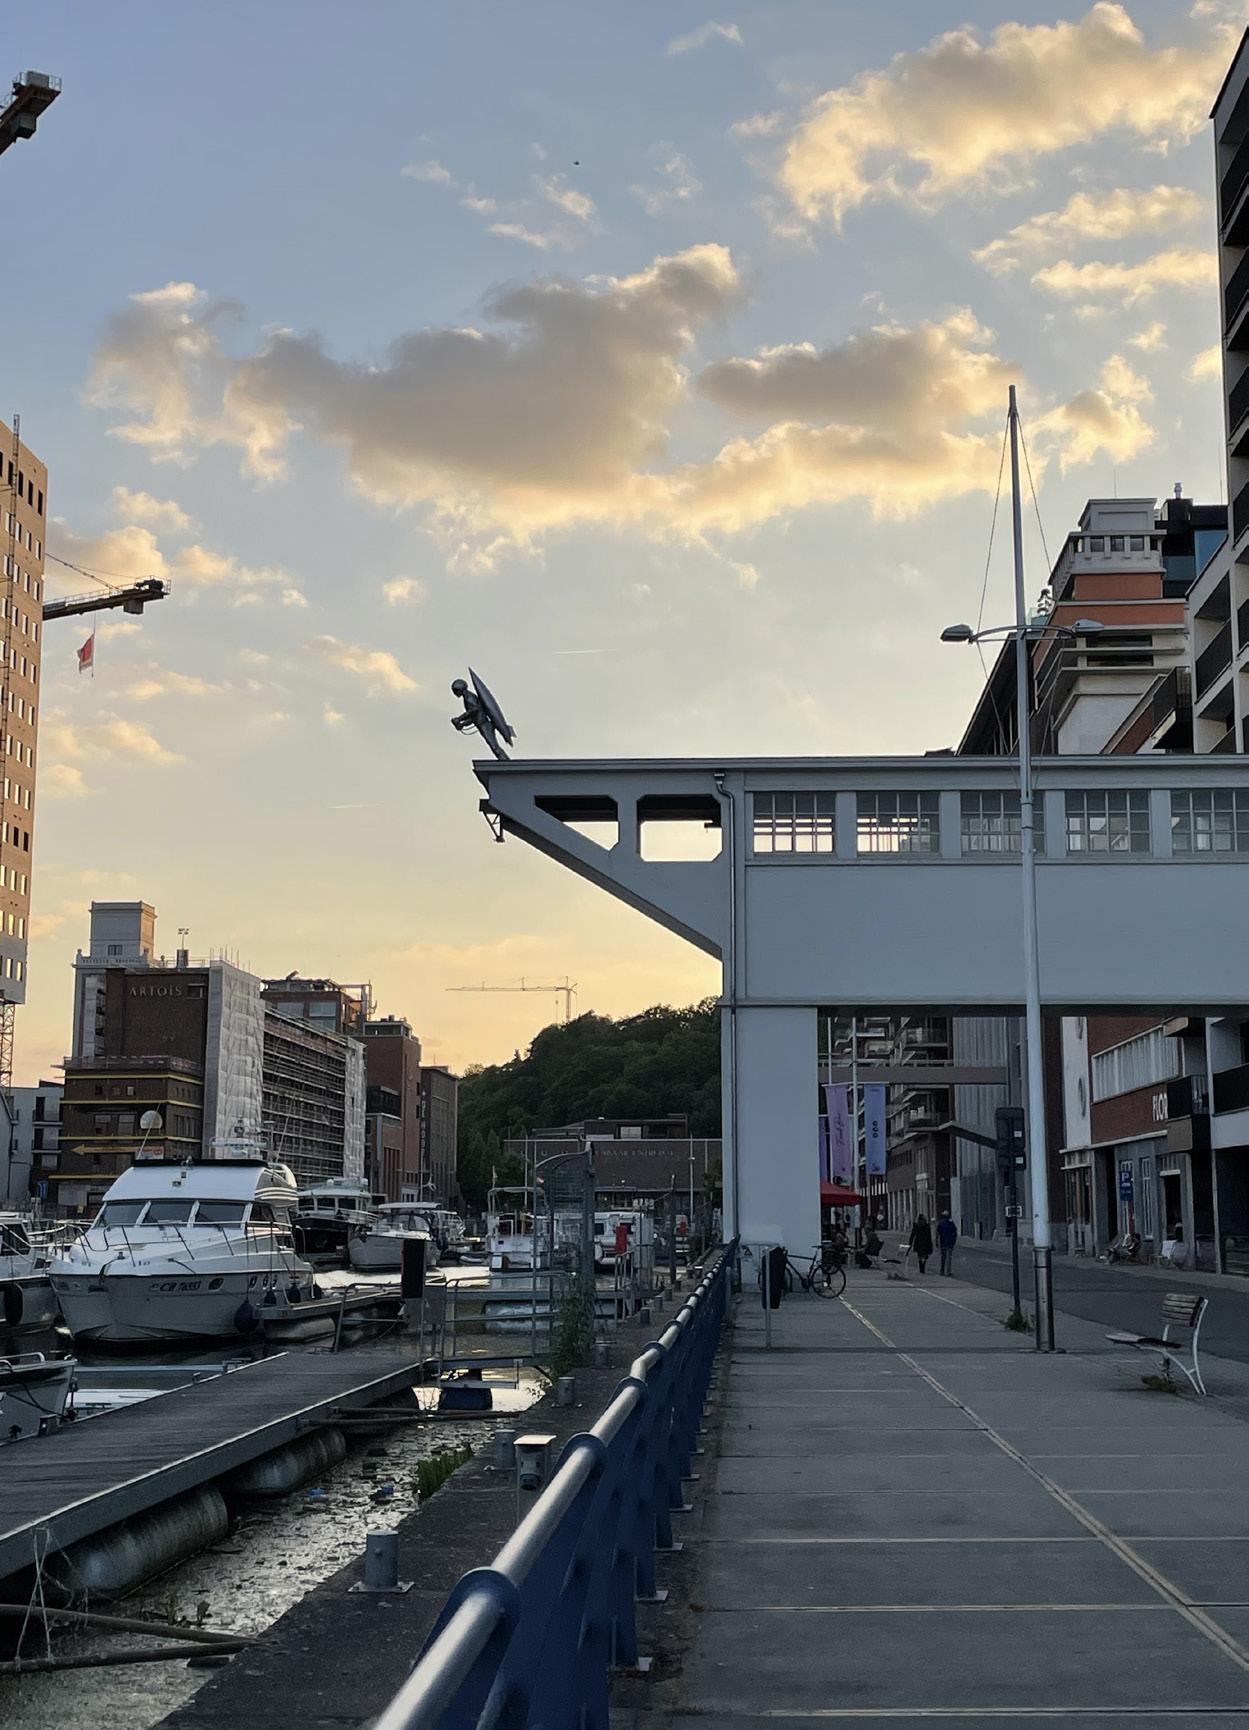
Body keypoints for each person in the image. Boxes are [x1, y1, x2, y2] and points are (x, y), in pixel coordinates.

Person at [936, 1211, 958, 1276]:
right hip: (950, 1242)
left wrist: (936, 1242)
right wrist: (954, 1241)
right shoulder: (951, 1223)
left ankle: (942, 1270)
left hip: (943, 1242)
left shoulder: (940, 1223)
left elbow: (937, 1233)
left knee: (943, 1257)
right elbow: (955, 1233)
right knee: (949, 1257)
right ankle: (948, 1271)